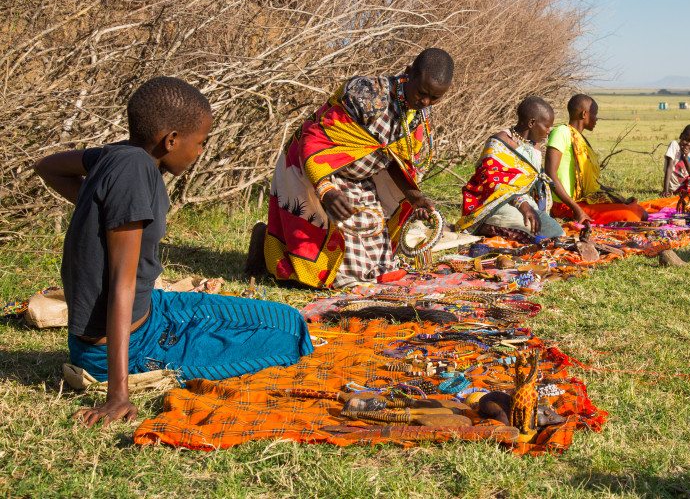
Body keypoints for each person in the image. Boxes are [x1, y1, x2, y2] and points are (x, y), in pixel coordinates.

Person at [33, 77, 313, 427]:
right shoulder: (133, 171)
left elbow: (47, 166)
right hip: (129, 344)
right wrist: (118, 396)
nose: (199, 152)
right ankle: (128, 376)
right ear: (171, 140)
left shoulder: (118, 155)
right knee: (289, 340)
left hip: (154, 311)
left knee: (287, 318)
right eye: (200, 143)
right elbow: (122, 286)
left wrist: (105, 213)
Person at [254, 48, 454, 288]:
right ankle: (264, 251)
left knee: (377, 267)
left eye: (434, 98)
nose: (425, 102)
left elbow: (394, 160)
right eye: (422, 93)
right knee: (326, 271)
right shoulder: (367, 95)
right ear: (409, 73)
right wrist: (326, 190)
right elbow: (314, 139)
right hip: (313, 170)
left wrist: (414, 197)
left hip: (359, 179)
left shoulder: (418, 115)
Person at [456, 97, 563, 242]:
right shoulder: (498, 143)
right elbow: (491, 183)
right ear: (532, 123)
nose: (549, 131)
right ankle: (484, 228)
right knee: (527, 231)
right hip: (495, 205)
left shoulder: (535, 146)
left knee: (557, 233)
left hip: (528, 205)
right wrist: (522, 205)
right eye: (547, 126)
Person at [544, 94, 648, 224]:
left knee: (637, 210)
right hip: (564, 205)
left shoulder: (581, 140)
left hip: (584, 201)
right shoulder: (561, 132)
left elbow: (592, 183)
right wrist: (577, 210)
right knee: (635, 215)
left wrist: (617, 198)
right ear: (584, 114)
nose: (596, 118)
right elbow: (550, 174)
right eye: (594, 113)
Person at [661, 124, 690, 197]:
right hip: (674, 187)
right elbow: (669, 168)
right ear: (681, 136)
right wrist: (665, 190)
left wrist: (685, 158)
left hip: (686, 185)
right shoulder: (674, 145)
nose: (688, 144)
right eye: (686, 140)